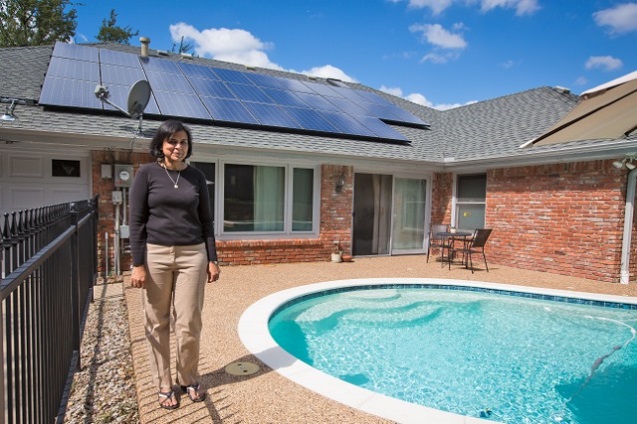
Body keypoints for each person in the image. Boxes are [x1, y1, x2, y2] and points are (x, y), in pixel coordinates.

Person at [129, 119, 220, 410]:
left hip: (193, 256)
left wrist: (212, 259)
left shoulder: (196, 177)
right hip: (155, 255)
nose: (178, 146)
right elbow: (136, 221)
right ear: (161, 144)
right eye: (172, 141)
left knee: (189, 321)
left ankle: (188, 378)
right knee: (157, 322)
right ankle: (163, 383)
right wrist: (138, 263)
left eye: (183, 141)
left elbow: (206, 221)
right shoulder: (147, 173)